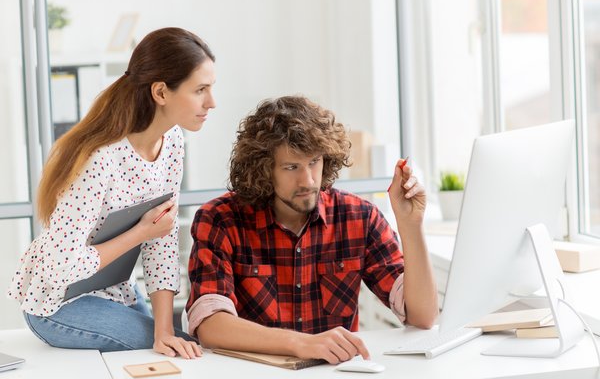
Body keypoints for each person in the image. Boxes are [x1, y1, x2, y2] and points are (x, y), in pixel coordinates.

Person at [7, 27, 216, 358]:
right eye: (201, 90)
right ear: (161, 92)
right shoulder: (100, 158)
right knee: (186, 346)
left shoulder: (173, 142)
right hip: (58, 304)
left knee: (173, 341)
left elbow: (162, 240)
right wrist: (141, 232)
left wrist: (162, 330)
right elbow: (61, 265)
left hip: (117, 291)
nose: (211, 102)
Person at [185, 95, 438, 364]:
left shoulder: (358, 217)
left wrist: (411, 226)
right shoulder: (220, 219)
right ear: (264, 169)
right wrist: (301, 343)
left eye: (314, 162)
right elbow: (210, 326)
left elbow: (422, 316)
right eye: (292, 167)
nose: (307, 180)